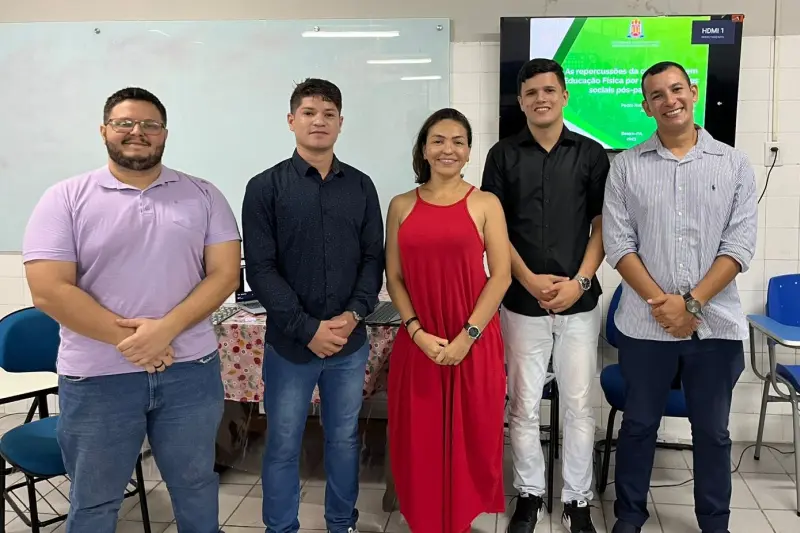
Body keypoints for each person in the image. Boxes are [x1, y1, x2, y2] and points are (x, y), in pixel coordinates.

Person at [22, 87, 241, 533]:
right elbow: (49, 290)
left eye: (150, 124)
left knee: (196, 486)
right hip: (98, 377)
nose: (137, 132)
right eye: (124, 123)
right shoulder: (64, 198)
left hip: (190, 372)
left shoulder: (204, 194)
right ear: (104, 130)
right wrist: (136, 342)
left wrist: (164, 332)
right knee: (94, 502)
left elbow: (223, 276)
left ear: (165, 134)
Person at [602, 61, 758, 533]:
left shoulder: (733, 164)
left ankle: (714, 523)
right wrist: (664, 306)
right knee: (638, 427)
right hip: (645, 327)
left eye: (676, 90)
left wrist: (690, 305)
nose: (669, 100)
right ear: (646, 107)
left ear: (693, 92)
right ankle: (629, 517)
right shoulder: (626, 167)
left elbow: (739, 246)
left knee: (712, 432)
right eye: (657, 95)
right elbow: (619, 245)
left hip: (715, 327)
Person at [241, 78, 384, 533]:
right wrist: (307, 328)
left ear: (341, 123)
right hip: (290, 345)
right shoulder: (264, 188)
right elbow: (260, 269)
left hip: (348, 342)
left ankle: (341, 523)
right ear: (291, 120)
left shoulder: (361, 186)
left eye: (328, 114)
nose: (318, 121)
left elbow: (372, 259)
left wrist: (353, 314)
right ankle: (281, 528)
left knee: (344, 440)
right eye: (308, 112)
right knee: (283, 443)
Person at [481, 58, 609, 533]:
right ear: (521, 101)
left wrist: (580, 281)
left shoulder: (591, 154)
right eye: (532, 92)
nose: (541, 98)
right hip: (521, 301)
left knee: (579, 405)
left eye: (549, 90)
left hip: (579, 302)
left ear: (564, 96)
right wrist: (529, 279)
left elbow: (603, 224)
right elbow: (494, 229)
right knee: (522, 405)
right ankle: (530, 495)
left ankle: (577, 500)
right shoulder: (502, 155)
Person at [385, 108, 510, 533]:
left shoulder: (486, 203)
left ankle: (459, 521)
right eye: (438, 140)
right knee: (419, 443)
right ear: (424, 149)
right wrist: (416, 332)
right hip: (419, 343)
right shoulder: (401, 205)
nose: (448, 149)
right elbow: (394, 277)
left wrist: (467, 336)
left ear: (469, 151)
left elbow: (501, 276)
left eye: (458, 141)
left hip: (472, 341)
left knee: (471, 440)